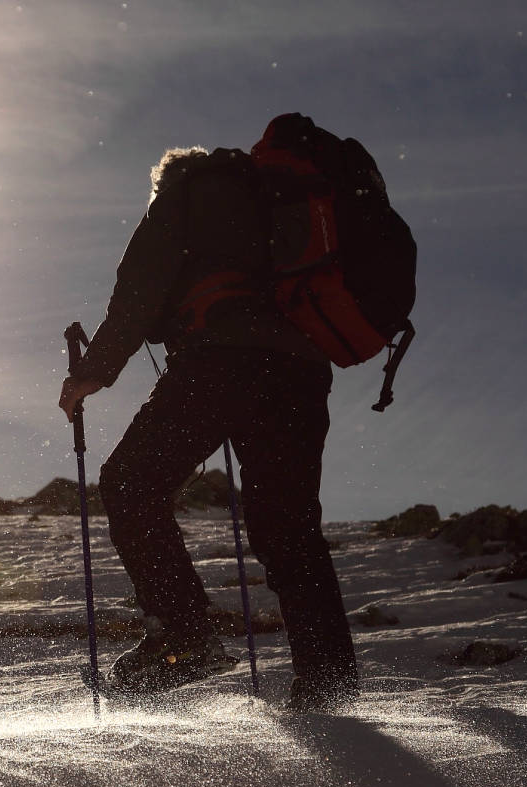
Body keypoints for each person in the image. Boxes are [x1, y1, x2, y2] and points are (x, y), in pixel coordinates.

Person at [58, 123, 359, 711]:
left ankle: (186, 635)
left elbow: (140, 289)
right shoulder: (280, 203)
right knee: (290, 530)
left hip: (220, 362)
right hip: (300, 371)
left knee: (131, 484)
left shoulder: (185, 193)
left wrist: (92, 372)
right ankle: (329, 691)